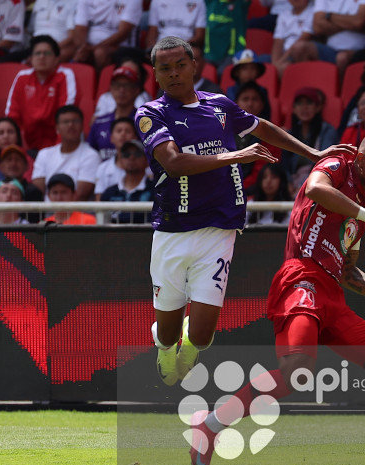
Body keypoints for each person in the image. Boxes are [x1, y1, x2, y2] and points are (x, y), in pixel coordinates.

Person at [188, 131, 365, 465]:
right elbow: (315, 189)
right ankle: (209, 427)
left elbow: (349, 274)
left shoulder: (361, 210)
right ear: (360, 158)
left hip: (331, 294)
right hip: (301, 279)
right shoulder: (338, 167)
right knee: (296, 373)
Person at [135, 36, 353, 387]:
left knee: (203, 337)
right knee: (168, 331)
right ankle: (163, 346)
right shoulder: (150, 113)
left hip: (220, 228)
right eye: (165, 68)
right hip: (174, 231)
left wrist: (313, 154)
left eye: (180, 65)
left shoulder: (219, 105)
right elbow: (173, 163)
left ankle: (191, 342)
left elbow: (260, 126)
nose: (174, 73)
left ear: (195, 67)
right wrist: (236, 155)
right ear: (156, 75)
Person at [6, 35, 77, 152]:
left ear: (56, 59)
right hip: (27, 145)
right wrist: (19, 150)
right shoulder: (22, 77)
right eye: (37, 53)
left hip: (57, 145)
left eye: (47, 53)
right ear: (31, 58)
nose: (42, 57)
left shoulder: (65, 75)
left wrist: (57, 152)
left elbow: (66, 115)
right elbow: (12, 115)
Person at [31, 105, 101, 200]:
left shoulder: (91, 155)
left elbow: (80, 195)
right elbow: (38, 191)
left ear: (82, 126)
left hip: (76, 213)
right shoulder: (44, 154)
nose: (70, 125)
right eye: (65, 122)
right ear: (57, 128)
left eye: (75, 121)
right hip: (48, 213)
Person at [289, 0, 365, 73]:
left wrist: (330, 16)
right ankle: (310, 88)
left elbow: (358, 22)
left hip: (356, 50)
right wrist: (350, 23)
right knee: (300, 48)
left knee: (341, 58)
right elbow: (317, 27)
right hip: (330, 50)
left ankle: (338, 90)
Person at [282, 87, 338, 189]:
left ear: (317, 107)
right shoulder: (290, 134)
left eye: (309, 103)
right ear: (294, 109)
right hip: (292, 187)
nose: (304, 107)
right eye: (299, 103)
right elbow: (285, 165)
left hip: (318, 184)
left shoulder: (327, 131)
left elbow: (325, 161)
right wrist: (289, 183)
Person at [87, 66, 141, 160]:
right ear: (111, 89)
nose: (121, 90)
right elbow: (89, 155)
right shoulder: (99, 122)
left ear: (136, 90)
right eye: (117, 85)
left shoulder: (144, 121)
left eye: (126, 85)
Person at [73, 0, 143, 71]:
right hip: (91, 46)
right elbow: (80, 28)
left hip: (123, 48)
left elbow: (122, 34)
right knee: (73, 52)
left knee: (100, 53)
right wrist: (82, 48)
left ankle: (100, 81)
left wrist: (92, 49)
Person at [233, 81, 278, 188]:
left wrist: (237, 188)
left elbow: (261, 173)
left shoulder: (269, 134)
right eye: (245, 99)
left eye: (255, 99)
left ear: (262, 105)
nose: (250, 104)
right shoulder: (225, 131)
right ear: (236, 103)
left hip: (255, 192)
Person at [99, 140, 154, 223]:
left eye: (137, 154)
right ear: (120, 160)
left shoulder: (156, 191)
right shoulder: (109, 193)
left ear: (147, 160)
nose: (131, 158)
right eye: (126, 154)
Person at [93, 117, 142, 199]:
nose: (123, 134)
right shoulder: (103, 168)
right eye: (119, 131)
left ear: (135, 137)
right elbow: (99, 203)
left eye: (128, 131)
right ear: (111, 138)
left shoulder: (145, 166)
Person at [271, 0, 315, 77]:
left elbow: (305, 37)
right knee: (260, 62)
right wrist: (274, 63)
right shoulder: (284, 14)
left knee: (284, 67)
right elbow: (278, 41)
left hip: (299, 55)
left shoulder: (313, 12)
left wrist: (281, 61)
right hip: (283, 54)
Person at [204, 0, 251, 67]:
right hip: (209, 54)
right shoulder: (211, 2)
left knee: (223, 74)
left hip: (232, 54)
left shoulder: (240, 4)